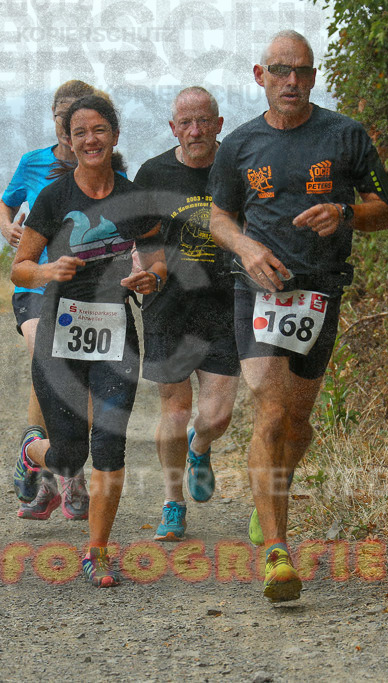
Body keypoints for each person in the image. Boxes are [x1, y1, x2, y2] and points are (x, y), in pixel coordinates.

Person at [209, 30, 388, 602]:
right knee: (269, 412)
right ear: (259, 74)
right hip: (258, 289)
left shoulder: (345, 134)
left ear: (314, 77)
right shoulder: (238, 146)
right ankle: (277, 553)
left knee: (297, 422)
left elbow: (385, 211)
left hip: (320, 291)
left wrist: (345, 213)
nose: (292, 81)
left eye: (303, 71)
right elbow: (218, 216)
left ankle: (269, 502)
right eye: (281, 70)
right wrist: (245, 248)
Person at [10, 95, 165, 588]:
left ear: (114, 136)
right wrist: (48, 269)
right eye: (80, 133)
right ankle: (33, 451)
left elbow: (157, 258)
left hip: (116, 331)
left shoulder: (134, 195)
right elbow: (20, 266)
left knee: (110, 444)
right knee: (68, 456)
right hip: (61, 333)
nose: (91, 140)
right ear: (69, 141)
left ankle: (97, 552)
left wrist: (151, 278)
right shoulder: (55, 197)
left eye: (99, 130)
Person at [134, 87, 239, 542]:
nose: (195, 130)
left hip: (226, 304)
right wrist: (153, 273)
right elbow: (143, 238)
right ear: (172, 128)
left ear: (219, 124)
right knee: (175, 410)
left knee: (215, 417)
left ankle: (201, 449)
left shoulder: (238, 167)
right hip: (169, 307)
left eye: (204, 121)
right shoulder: (152, 173)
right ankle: (172, 503)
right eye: (185, 123)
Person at [0, 81, 97, 521]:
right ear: (54, 117)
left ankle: (51, 469)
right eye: (61, 111)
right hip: (36, 287)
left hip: (88, 295)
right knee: (48, 357)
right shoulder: (32, 162)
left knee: (84, 388)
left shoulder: (102, 164)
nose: (66, 119)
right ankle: (58, 468)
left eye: (76, 112)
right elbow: (6, 204)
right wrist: (7, 228)